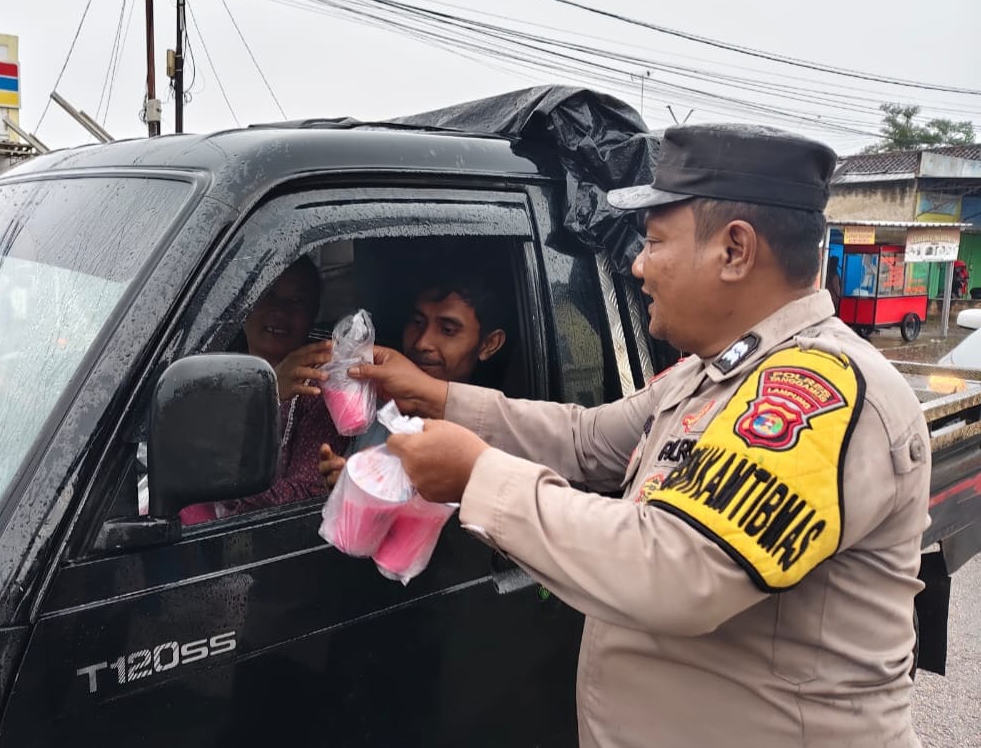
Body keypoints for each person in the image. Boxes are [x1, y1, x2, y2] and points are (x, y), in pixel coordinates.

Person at [354, 124, 931, 748]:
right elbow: (585, 440)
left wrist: (478, 477)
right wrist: (437, 396)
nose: (637, 265)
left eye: (654, 242)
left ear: (734, 251)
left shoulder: (816, 392)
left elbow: (677, 571)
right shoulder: (711, 373)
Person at [179, 257, 350, 524]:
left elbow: (307, 495)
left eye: (297, 301)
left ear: (313, 314)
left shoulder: (319, 388)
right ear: (243, 304)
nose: (280, 310)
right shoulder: (211, 370)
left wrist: (267, 398)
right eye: (267, 293)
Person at [319, 269, 508, 486]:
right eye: (418, 322)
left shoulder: (489, 441)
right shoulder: (374, 407)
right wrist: (343, 483)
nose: (422, 343)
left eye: (447, 330)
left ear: (488, 344)